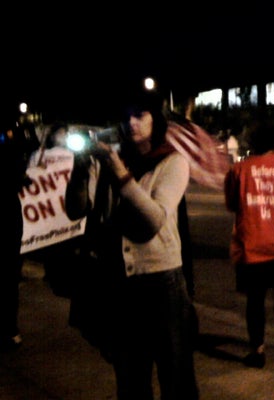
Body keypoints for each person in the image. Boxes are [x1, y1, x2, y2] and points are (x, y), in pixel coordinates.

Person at [65, 89, 199, 399]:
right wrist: (79, 170)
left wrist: (120, 173)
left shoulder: (172, 162)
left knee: (175, 374)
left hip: (161, 280)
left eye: (140, 115)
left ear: (156, 119)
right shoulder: (110, 158)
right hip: (119, 283)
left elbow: (153, 220)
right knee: (130, 376)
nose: (132, 123)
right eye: (126, 116)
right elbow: (76, 209)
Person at [223, 120, 274, 368]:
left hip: (251, 245)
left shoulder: (238, 171)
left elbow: (231, 205)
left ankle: (257, 350)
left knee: (255, 300)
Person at [0, 109, 37, 351]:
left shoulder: (14, 135)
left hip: (8, 211)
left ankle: (9, 327)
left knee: (9, 272)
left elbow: (29, 146)